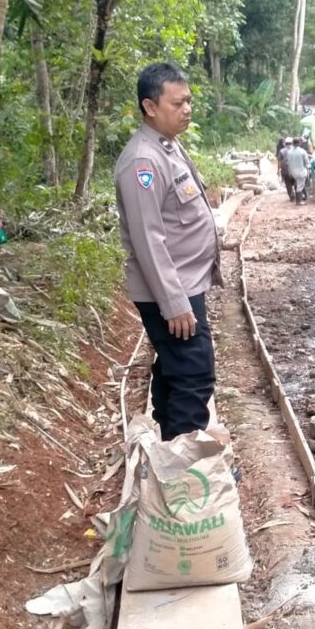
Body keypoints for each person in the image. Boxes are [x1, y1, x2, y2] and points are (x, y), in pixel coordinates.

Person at [114, 62, 222, 442]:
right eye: (177, 103)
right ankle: (185, 462)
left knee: (175, 371)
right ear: (149, 106)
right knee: (194, 375)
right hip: (172, 290)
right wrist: (173, 303)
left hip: (184, 283)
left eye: (189, 101)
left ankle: (169, 446)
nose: (187, 109)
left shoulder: (168, 146)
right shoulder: (143, 161)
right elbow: (148, 239)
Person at [283, 137, 311, 204]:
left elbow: (288, 163)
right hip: (301, 172)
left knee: (299, 184)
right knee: (300, 186)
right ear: (299, 143)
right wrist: (309, 168)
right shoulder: (302, 151)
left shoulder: (289, 152)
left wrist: (290, 172)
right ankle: (299, 201)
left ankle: (303, 196)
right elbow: (307, 163)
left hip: (293, 172)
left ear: (293, 143)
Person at [278, 137, 296, 201]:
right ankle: (298, 194)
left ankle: (291, 196)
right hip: (295, 170)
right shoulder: (295, 150)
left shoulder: (282, 151)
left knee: (288, 184)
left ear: (285, 144)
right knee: (296, 182)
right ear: (292, 143)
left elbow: (279, 162)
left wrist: (278, 170)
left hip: (285, 170)